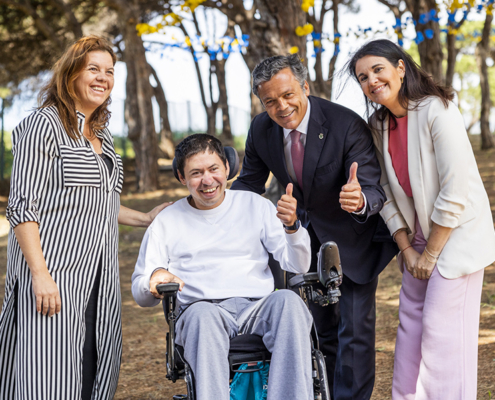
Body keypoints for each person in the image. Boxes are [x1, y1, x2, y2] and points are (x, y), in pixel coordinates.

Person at [0, 36, 170, 400]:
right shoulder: (43, 125)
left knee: (92, 368)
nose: (102, 78)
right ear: (70, 73)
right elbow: (22, 206)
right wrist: (40, 274)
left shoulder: (102, 134)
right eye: (93, 68)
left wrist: (145, 217)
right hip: (54, 274)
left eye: (109, 71)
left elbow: (101, 201)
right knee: (46, 373)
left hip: (99, 275)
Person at [231, 54, 398, 399]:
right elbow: (248, 185)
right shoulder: (261, 129)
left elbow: (371, 187)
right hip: (302, 242)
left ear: (305, 86)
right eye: (270, 101)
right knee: (321, 332)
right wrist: (206, 210)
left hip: (353, 239)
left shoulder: (345, 124)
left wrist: (361, 199)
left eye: (289, 94)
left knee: (354, 334)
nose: (281, 106)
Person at [348, 39, 495, 399]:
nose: (371, 81)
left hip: (454, 237)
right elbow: (383, 190)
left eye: (377, 70)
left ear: (400, 67)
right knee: (410, 327)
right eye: (363, 77)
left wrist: (431, 254)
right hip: (415, 239)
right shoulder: (378, 125)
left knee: (441, 329)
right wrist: (406, 248)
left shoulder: (437, 110)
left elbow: (456, 187)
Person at [132, 134, 314, 400]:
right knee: (202, 315)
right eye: (196, 173)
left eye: (214, 169)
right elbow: (140, 292)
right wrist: (154, 279)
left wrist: (292, 228)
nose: (207, 180)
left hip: (257, 307)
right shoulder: (166, 221)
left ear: (227, 169)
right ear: (182, 178)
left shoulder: (256, 206)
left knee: (289, 302)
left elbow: (299, 264)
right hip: (202, 310)